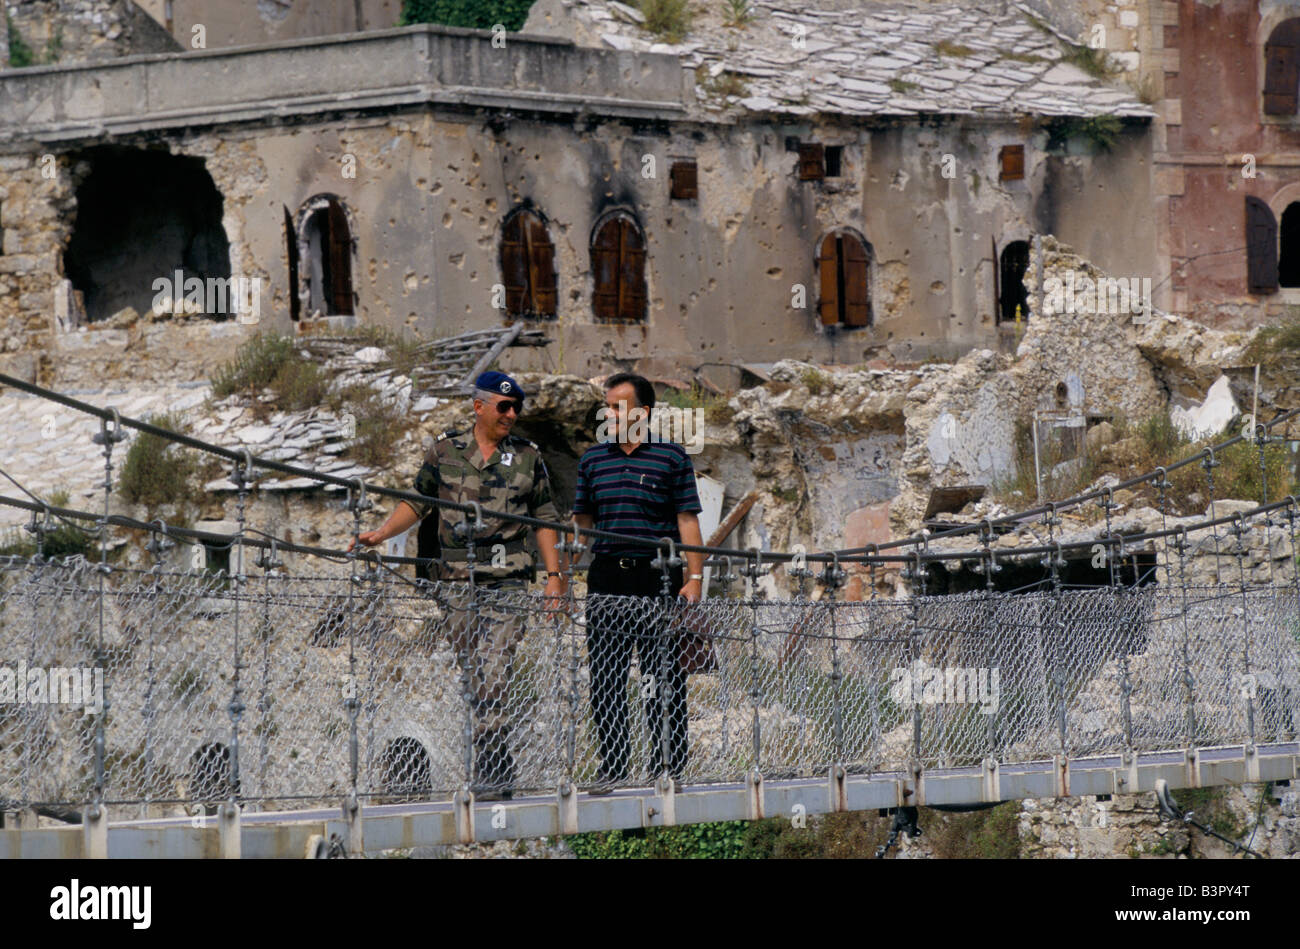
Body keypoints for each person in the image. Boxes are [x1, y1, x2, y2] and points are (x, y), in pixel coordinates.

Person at [351, 370, 565, 800]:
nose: (511, 414)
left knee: (494, 664)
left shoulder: (527, 455)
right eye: (503, 406)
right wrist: (380, 534)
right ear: (478, 406)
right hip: (456, 583)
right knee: (474, 670)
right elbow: (418, 501)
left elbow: (545, 518)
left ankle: (490, 765)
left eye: (516, 407)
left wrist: (555, 579)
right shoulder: (445, 449)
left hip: (507, 581)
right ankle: (497, 758)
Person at [572, 372, 705, 793]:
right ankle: (612, 767)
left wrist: (695, 578)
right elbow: (581, 522)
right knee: (606, 676)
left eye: (616, 406)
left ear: (642, 412)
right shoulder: (592, 460)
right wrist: (562, 568)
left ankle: (668, 766)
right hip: (607, 575)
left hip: (658, 577)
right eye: (606, 406)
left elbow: (687, 520)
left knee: (662, 675)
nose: (608, 413)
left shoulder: (671, 458)